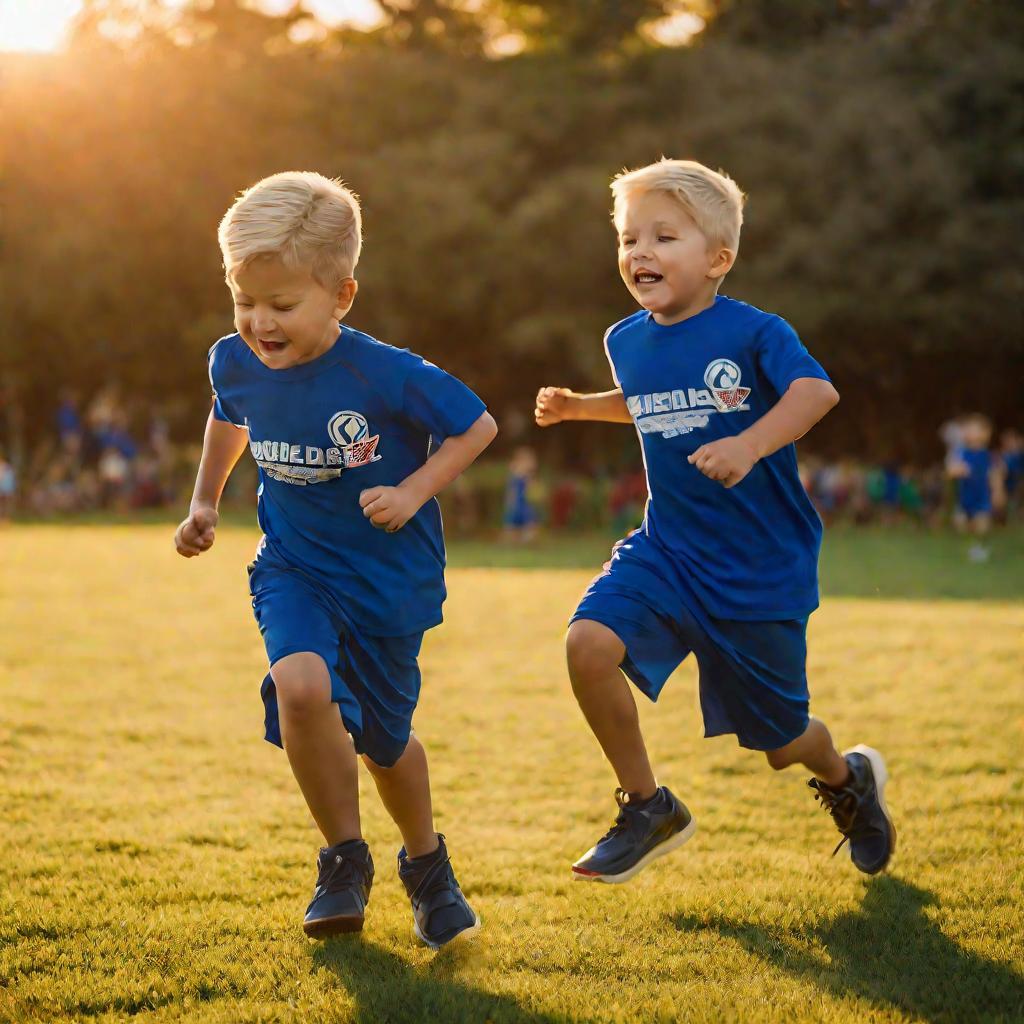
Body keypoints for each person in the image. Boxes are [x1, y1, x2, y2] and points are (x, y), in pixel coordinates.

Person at [535, 158, 895, 884]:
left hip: (758, 568)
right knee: (588, 644)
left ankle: (846, 776)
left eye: (663, 237)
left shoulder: (757, 332)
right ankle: (648, 807)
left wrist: (749, 443)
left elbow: (815, 394)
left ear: (717, 258)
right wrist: (581, 405)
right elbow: (646, 397)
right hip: (667, 550)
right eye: (629, 238)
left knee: (780, 741)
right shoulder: (626, 340)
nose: (640, 252)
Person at [174, 172, 497, 947]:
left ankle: (427, 866)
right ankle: (343, 861)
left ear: (342, 295)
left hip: (389, 581)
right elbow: (229, 419)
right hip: (294, 567)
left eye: (282, 306)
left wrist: (413, 492)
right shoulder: (235, 361)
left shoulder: (386, 373)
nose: (259, 323)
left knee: (387, 744)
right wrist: (205, 501)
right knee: (300, 682)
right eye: (245, 303)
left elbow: (477, 427)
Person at [947, 413, 1003, 561]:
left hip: (982, 496)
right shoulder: (960, 452)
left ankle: (980, 547)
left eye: (974, 429)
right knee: (961, 524)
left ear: (986, 433)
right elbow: (951, 469)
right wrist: (958, 470)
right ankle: (972, 546)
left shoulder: (989, 455)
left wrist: (998, 491)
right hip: (965, 496)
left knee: (982, 525)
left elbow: (994, 475)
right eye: (967, 428)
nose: (969, 431)